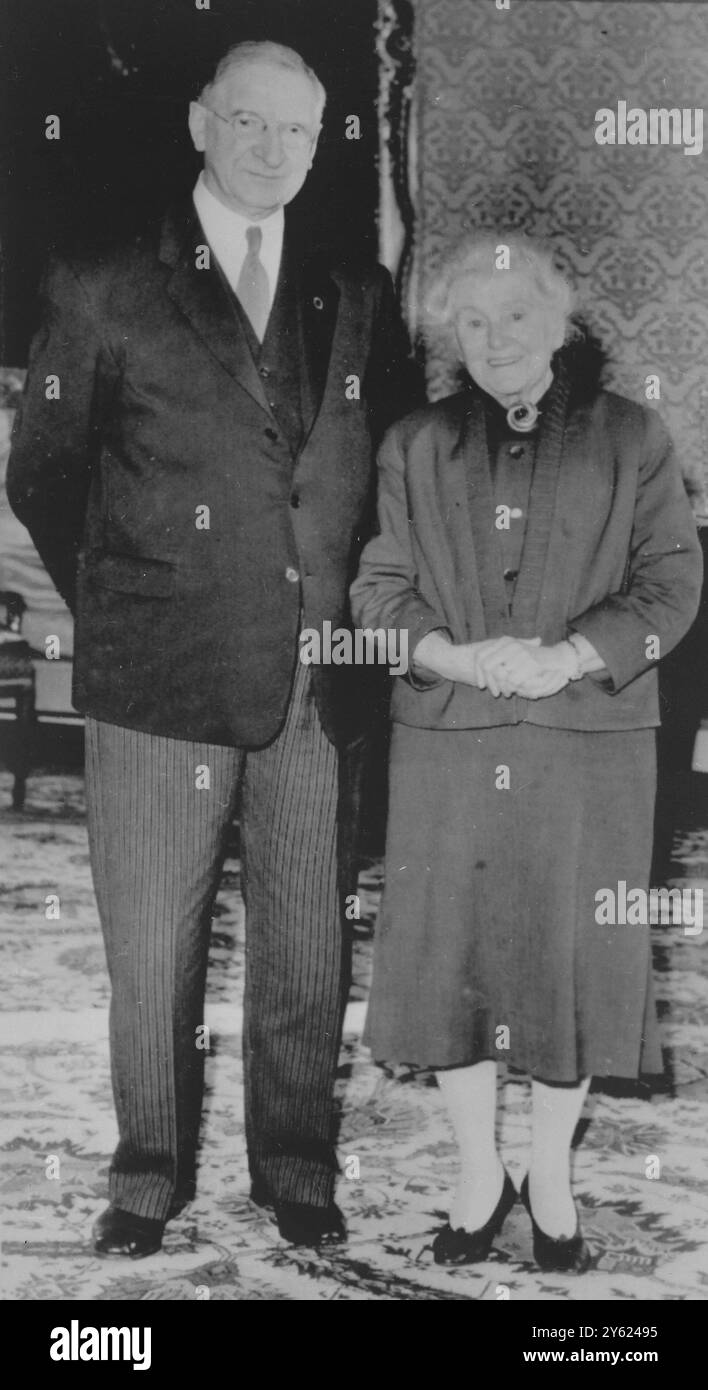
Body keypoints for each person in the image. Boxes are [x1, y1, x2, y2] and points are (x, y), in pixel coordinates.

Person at [7, 40, 415, 1254]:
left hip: (313, 682)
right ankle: (147, 1176)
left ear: (318, 137)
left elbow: (367, 471)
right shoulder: (103, 279)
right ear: (200, 121)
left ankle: (295, 1163)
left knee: (304, 943)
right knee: (153, 949)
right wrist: (137, 592)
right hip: (155, 684)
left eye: (296, 132)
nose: (271, 151)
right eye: (247, 124)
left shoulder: (356, 287)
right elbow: (43, 475)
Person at [350, 232, 702, 1272]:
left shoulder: (633, 436)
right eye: (472, 320)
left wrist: (566, 659)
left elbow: (672, 584)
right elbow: (376, 588)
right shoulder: (412, 444)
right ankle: (475, 1171)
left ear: (558, 323)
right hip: (449, 739)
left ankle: (549, 1176)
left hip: (588, 741)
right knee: (451, 961)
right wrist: (454, 654)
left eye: (516, 317)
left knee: (568, 969)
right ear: (448, 332)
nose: (495, 338)